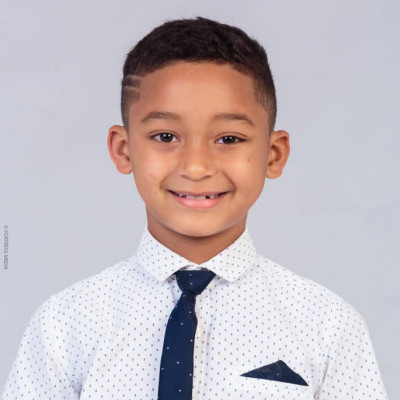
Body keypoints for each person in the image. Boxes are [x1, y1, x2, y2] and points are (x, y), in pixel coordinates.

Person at [1, 16, 388, 400]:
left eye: (229, 138)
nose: (196, 167)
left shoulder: (326, 326)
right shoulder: (65, 324)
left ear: (273, 154)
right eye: (165, 136)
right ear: (124, 149)